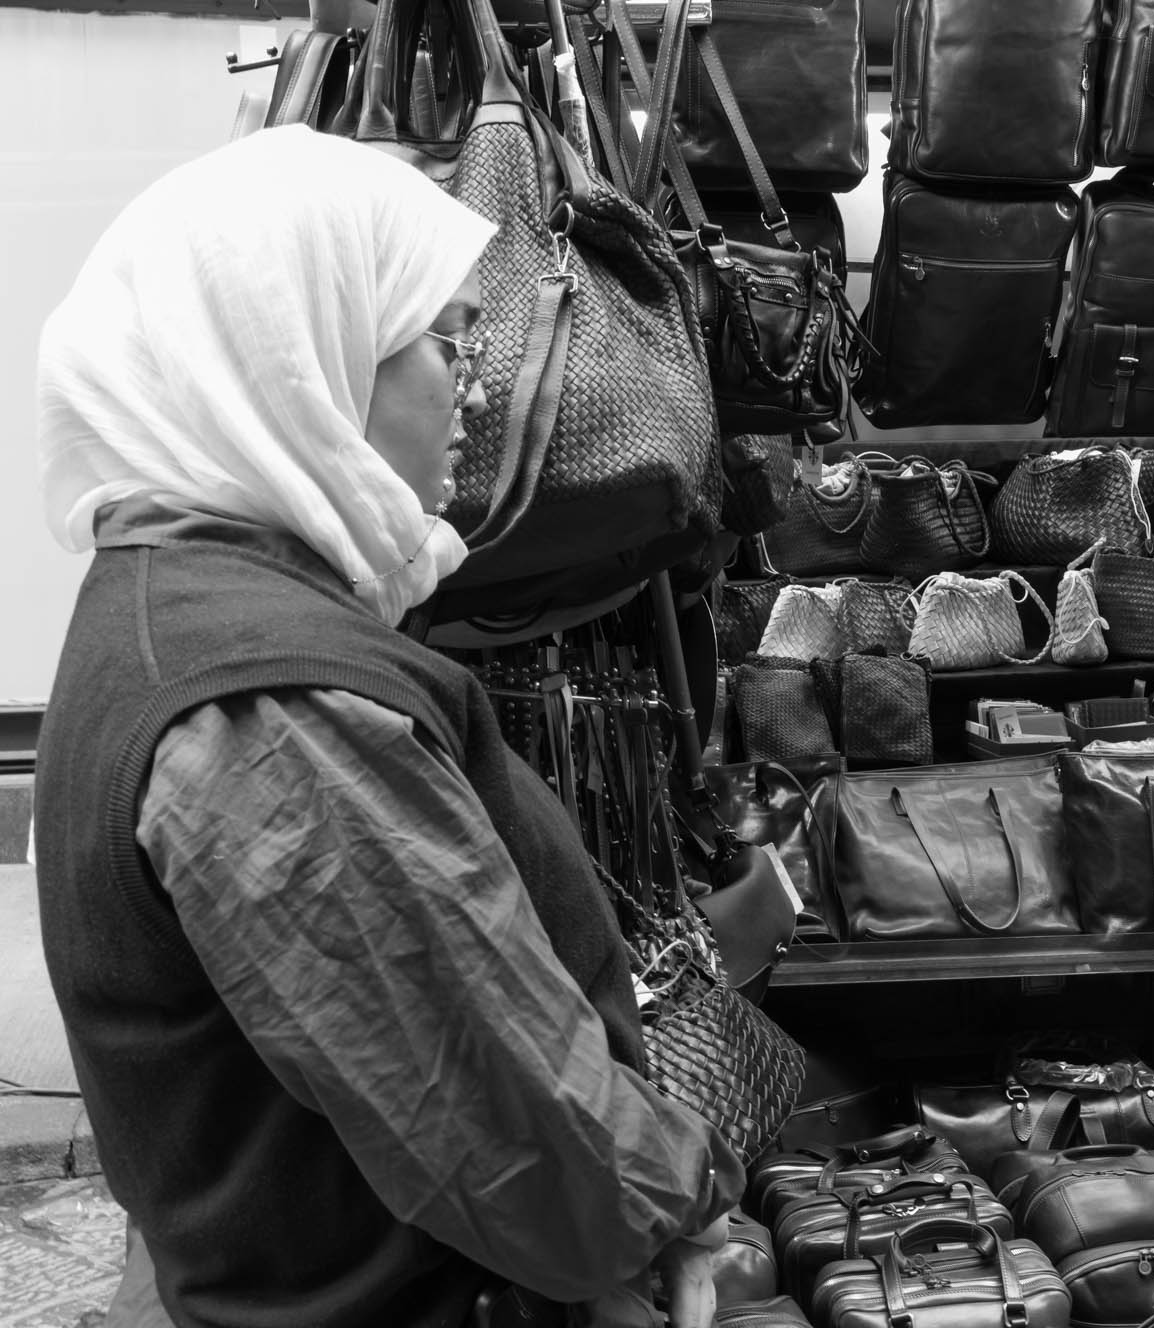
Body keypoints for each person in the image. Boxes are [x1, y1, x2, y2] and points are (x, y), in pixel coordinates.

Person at [34, 125, 742, 1328]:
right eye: (442, 341)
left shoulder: (191, 607)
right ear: (298, 359)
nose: (472, 389)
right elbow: (500, 1119)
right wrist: (674, 1202)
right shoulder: (266, 701)